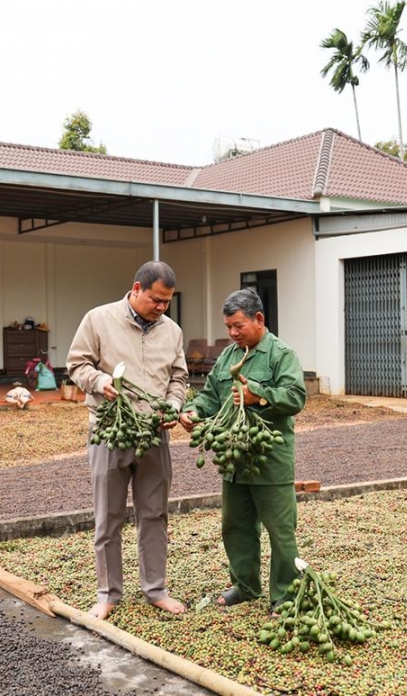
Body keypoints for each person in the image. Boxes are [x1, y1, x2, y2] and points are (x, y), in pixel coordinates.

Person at [66, 261, 188, 619]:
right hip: (110, 431)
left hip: (153, 434)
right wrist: (99, 382)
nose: (162, 308)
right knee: (109, 516)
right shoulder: (98, 319)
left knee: (155, 514)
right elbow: (76, 365)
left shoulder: (172, 331)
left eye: (167, 302)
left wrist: (173, 405)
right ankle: (108, 594)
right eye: (156, 300)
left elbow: (178, 378)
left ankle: (156, 589)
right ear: (136, 289)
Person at [180, 289, 306, 611]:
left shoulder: (281, 355)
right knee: (235, 526)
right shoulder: (227, 356)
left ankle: (285, 595)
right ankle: (245, 585)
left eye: (238, 326)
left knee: (280, 532)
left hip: (269, 459)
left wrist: (259, 395)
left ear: (258, 319)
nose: (233, 333)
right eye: (228, 327)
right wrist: (196, 413)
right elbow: (210, 396)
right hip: (234, 458)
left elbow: (295, 398)